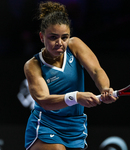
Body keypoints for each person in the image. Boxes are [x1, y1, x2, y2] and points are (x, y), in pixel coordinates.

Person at [24, 1, 117, 150]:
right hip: (46, 124)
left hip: (75, 125)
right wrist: (77, 97)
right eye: (53, 37)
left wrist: (105, 88)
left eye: (64, 37)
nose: (59, 42)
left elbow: (96, 71)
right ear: (42, 37)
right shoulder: (33, 65)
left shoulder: (75, 46)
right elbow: (44, 101)